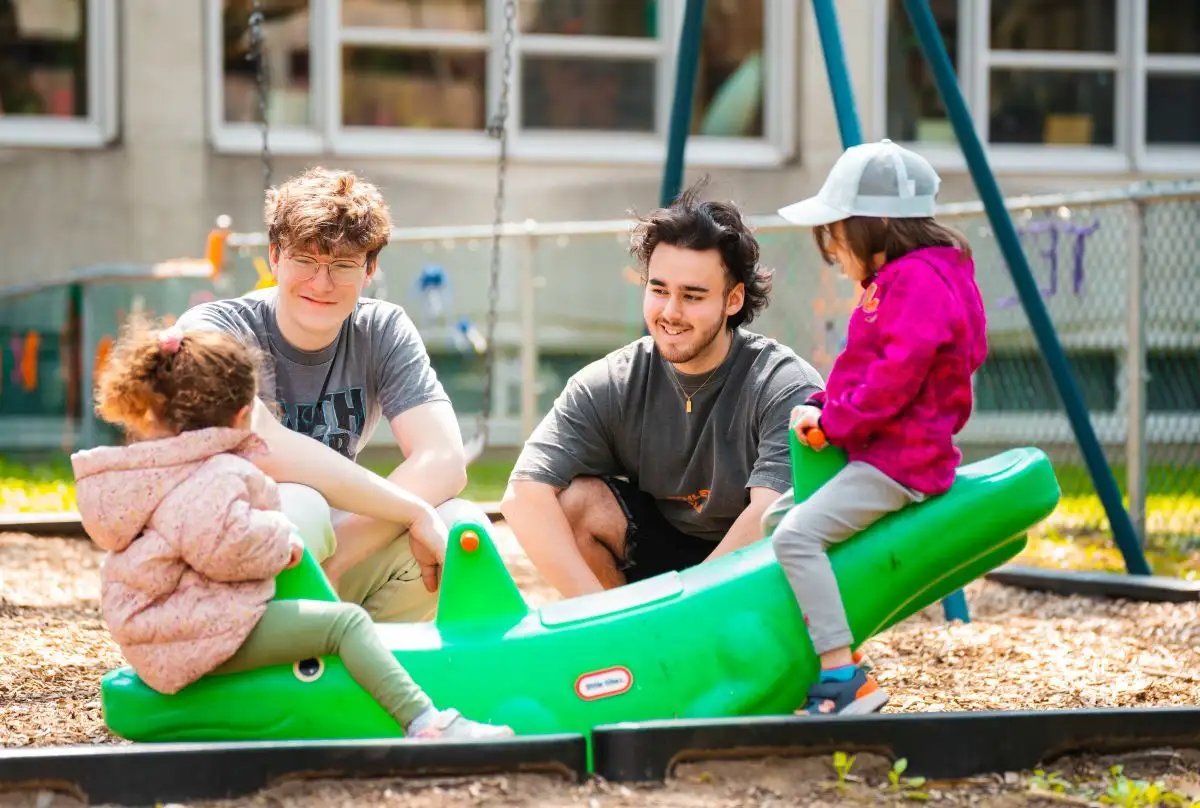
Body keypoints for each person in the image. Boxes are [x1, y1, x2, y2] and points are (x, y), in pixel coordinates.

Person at [71, 317, 513, 740]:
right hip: (189, 632)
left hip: (161, 627)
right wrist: (282, 541)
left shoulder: (153, 469)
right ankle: (425, 723)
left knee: (320, 619)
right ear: (245, 414)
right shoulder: (215, 473)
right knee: (345, 625)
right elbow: (222, 546)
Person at [174, 167, 475, 623]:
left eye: (342, 265)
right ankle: (258, 670)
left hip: (327, 550)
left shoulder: (381, 329)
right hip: (222, 561)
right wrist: (409, 509)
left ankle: (359, 672)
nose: (321, 283)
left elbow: (444, 461)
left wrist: (337, 560)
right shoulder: (214, 329)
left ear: (369, 269)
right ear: (274, 257)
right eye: (306, 260)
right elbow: (259, 442)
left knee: (455, 527)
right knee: (304, 507)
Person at [500, 181, 826, 599]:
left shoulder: (783, 384)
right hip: (658, 555)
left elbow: (770, 515)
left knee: (785, 526)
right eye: (658, 290)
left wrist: (689, 607)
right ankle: (623, 645)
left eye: (692, 296)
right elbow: (522, 495)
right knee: (577, 502)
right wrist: (604, 616)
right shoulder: (612, 382)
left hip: (761, 572)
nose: (670, 312)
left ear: (733, 300)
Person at [770, 139, 988, 715]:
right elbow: (869, 364)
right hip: (888, 452)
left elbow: (899, 373)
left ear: (879, 224)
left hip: (901, 462)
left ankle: (843, 675)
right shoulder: (913, 278)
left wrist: (837, 421)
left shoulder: (916, 282)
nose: (835, 253)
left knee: (795, 536)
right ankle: (797, 646)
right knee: (776, 519)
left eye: (839, 237)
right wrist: (827, 403)